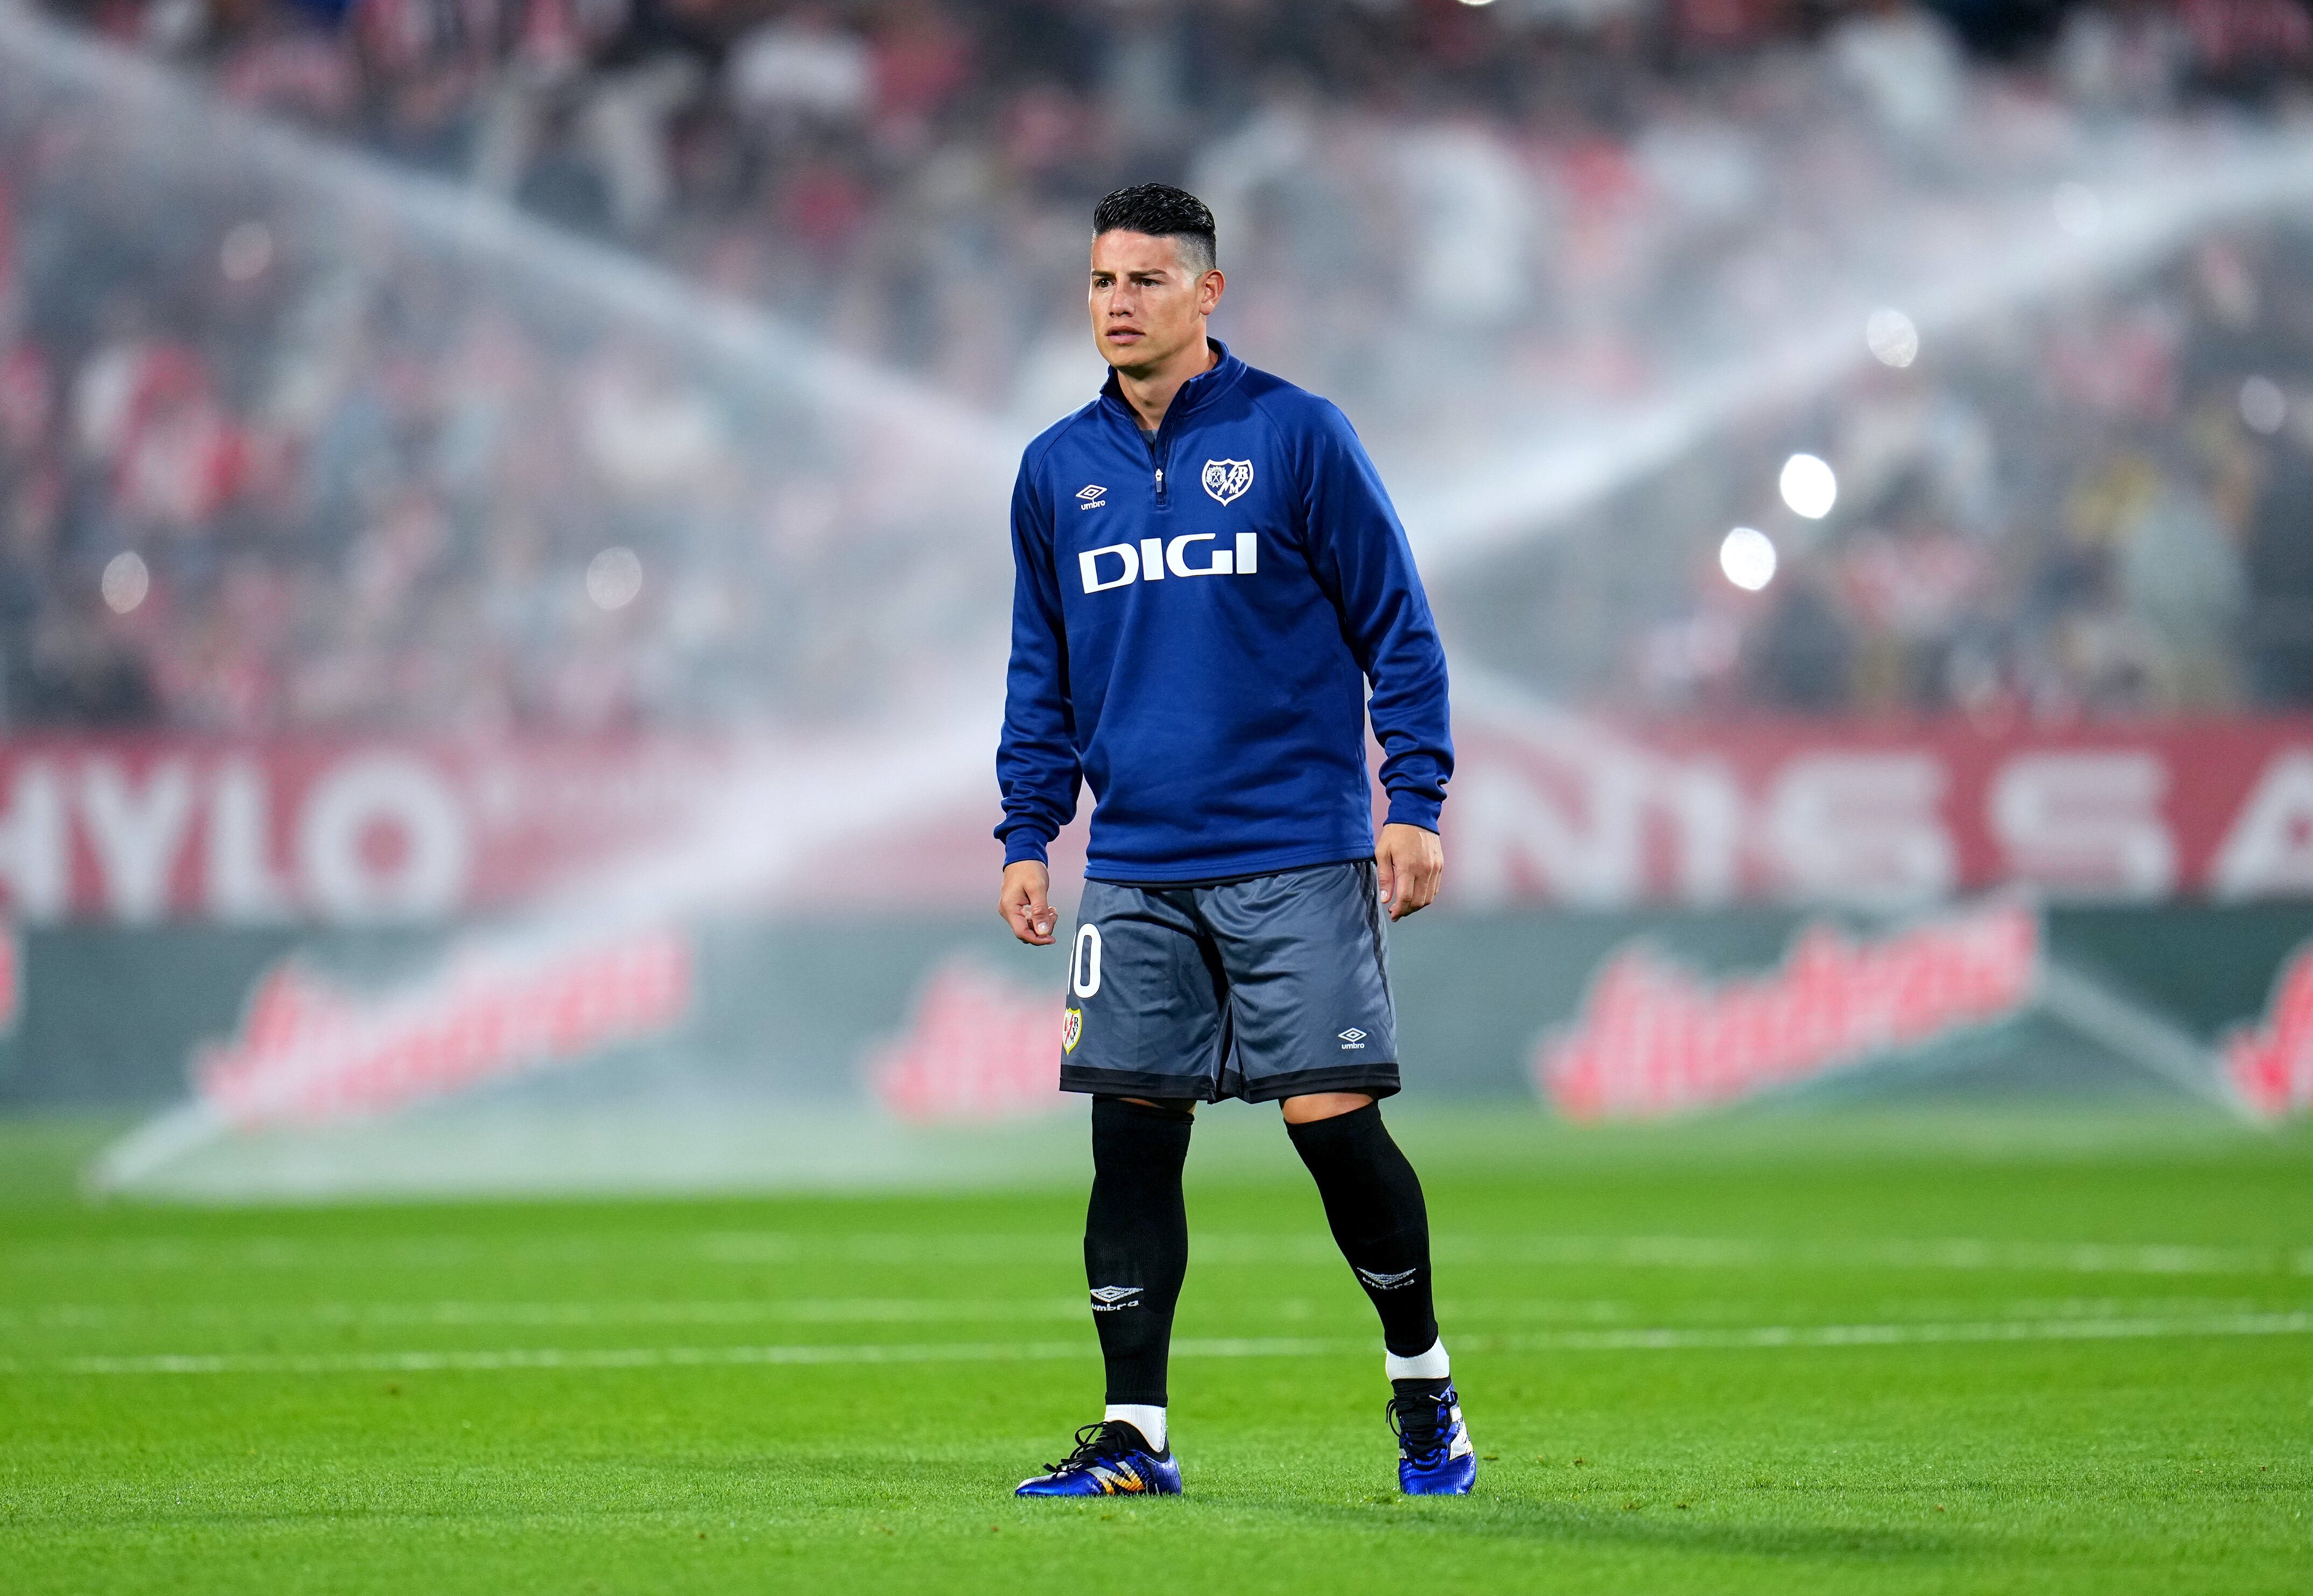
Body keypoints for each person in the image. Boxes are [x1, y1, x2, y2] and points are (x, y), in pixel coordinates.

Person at [994, 184, 1468, 1499]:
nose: (1119, 303)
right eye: (1101, 281)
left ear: (1209, 294)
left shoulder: (1296, 435)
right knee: (1131, 1138)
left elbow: (1400, 630)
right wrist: (1030, 829)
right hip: (1137, 862)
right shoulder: (1055, 471)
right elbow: (1044, 674)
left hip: (1292, 851)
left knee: (1331, 1125)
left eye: (1147, 280)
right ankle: (1137, 1434)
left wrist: (1413, 801)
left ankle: (1423, 1387)